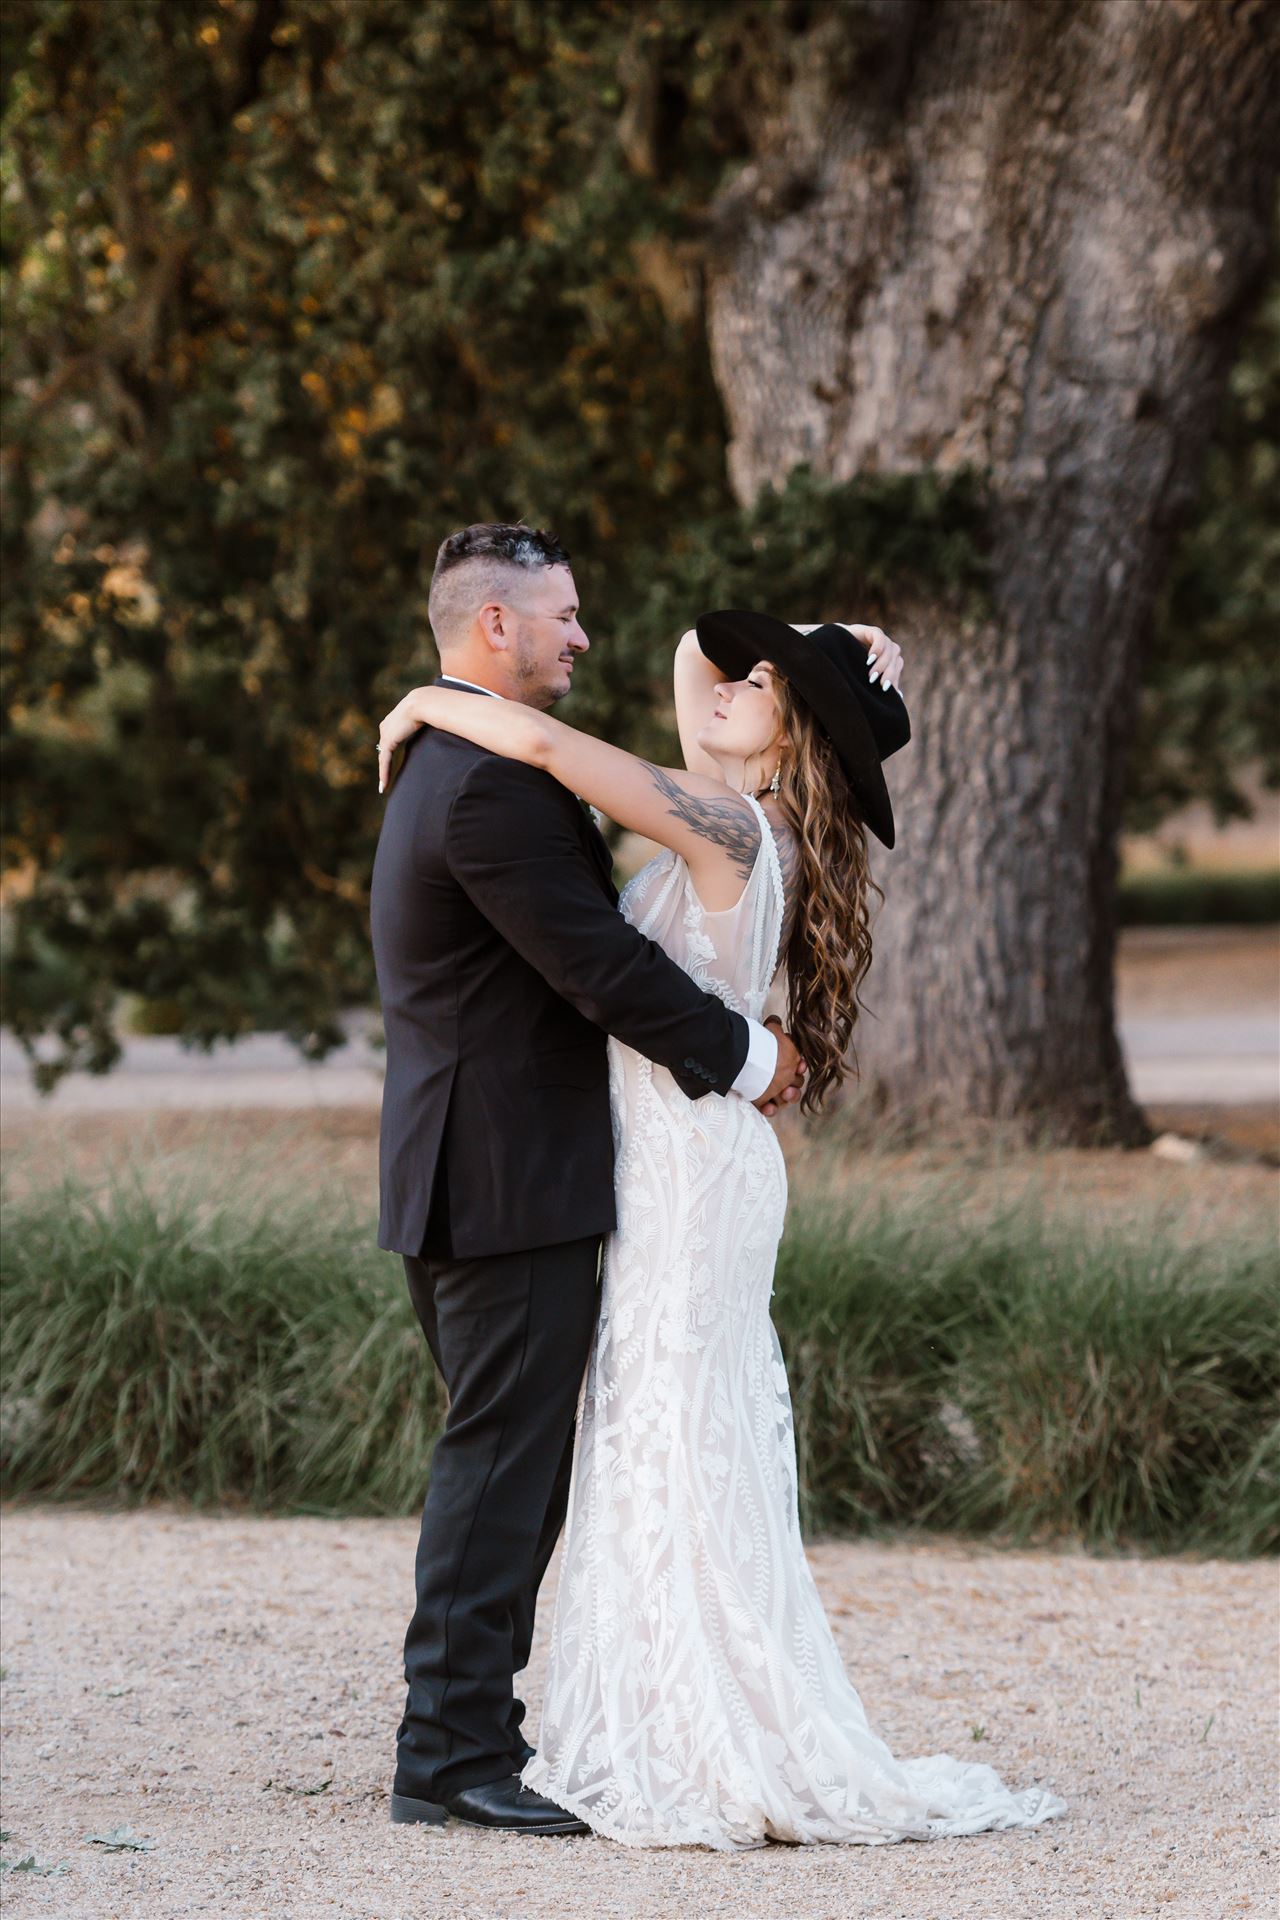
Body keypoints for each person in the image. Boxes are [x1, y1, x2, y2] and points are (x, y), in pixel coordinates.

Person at [376, 570, 1071, 1850]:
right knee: (652, 1437)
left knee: (670, 1437)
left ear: (792, 734)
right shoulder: (731, 808)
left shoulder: (731, 826)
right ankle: (649, 1708)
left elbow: (547, 746)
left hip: (687, 1168)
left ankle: (685, 1724)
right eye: (745, 675)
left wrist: (428, 698)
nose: (729, 685)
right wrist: (816, 645)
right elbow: (693, 654)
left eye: (766, 686)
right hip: (666, 1157)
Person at [369, 523, 809, 1836]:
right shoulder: (486, 789)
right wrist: (747, 1058)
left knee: (512, 1465)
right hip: (502, 1175)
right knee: (501, 1468)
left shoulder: (461, 760)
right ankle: (448, 1755)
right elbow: (599, 970)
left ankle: (469, 1736)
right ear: (494, 626)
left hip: (487, 1168)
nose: (580, 635)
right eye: (561, 615)